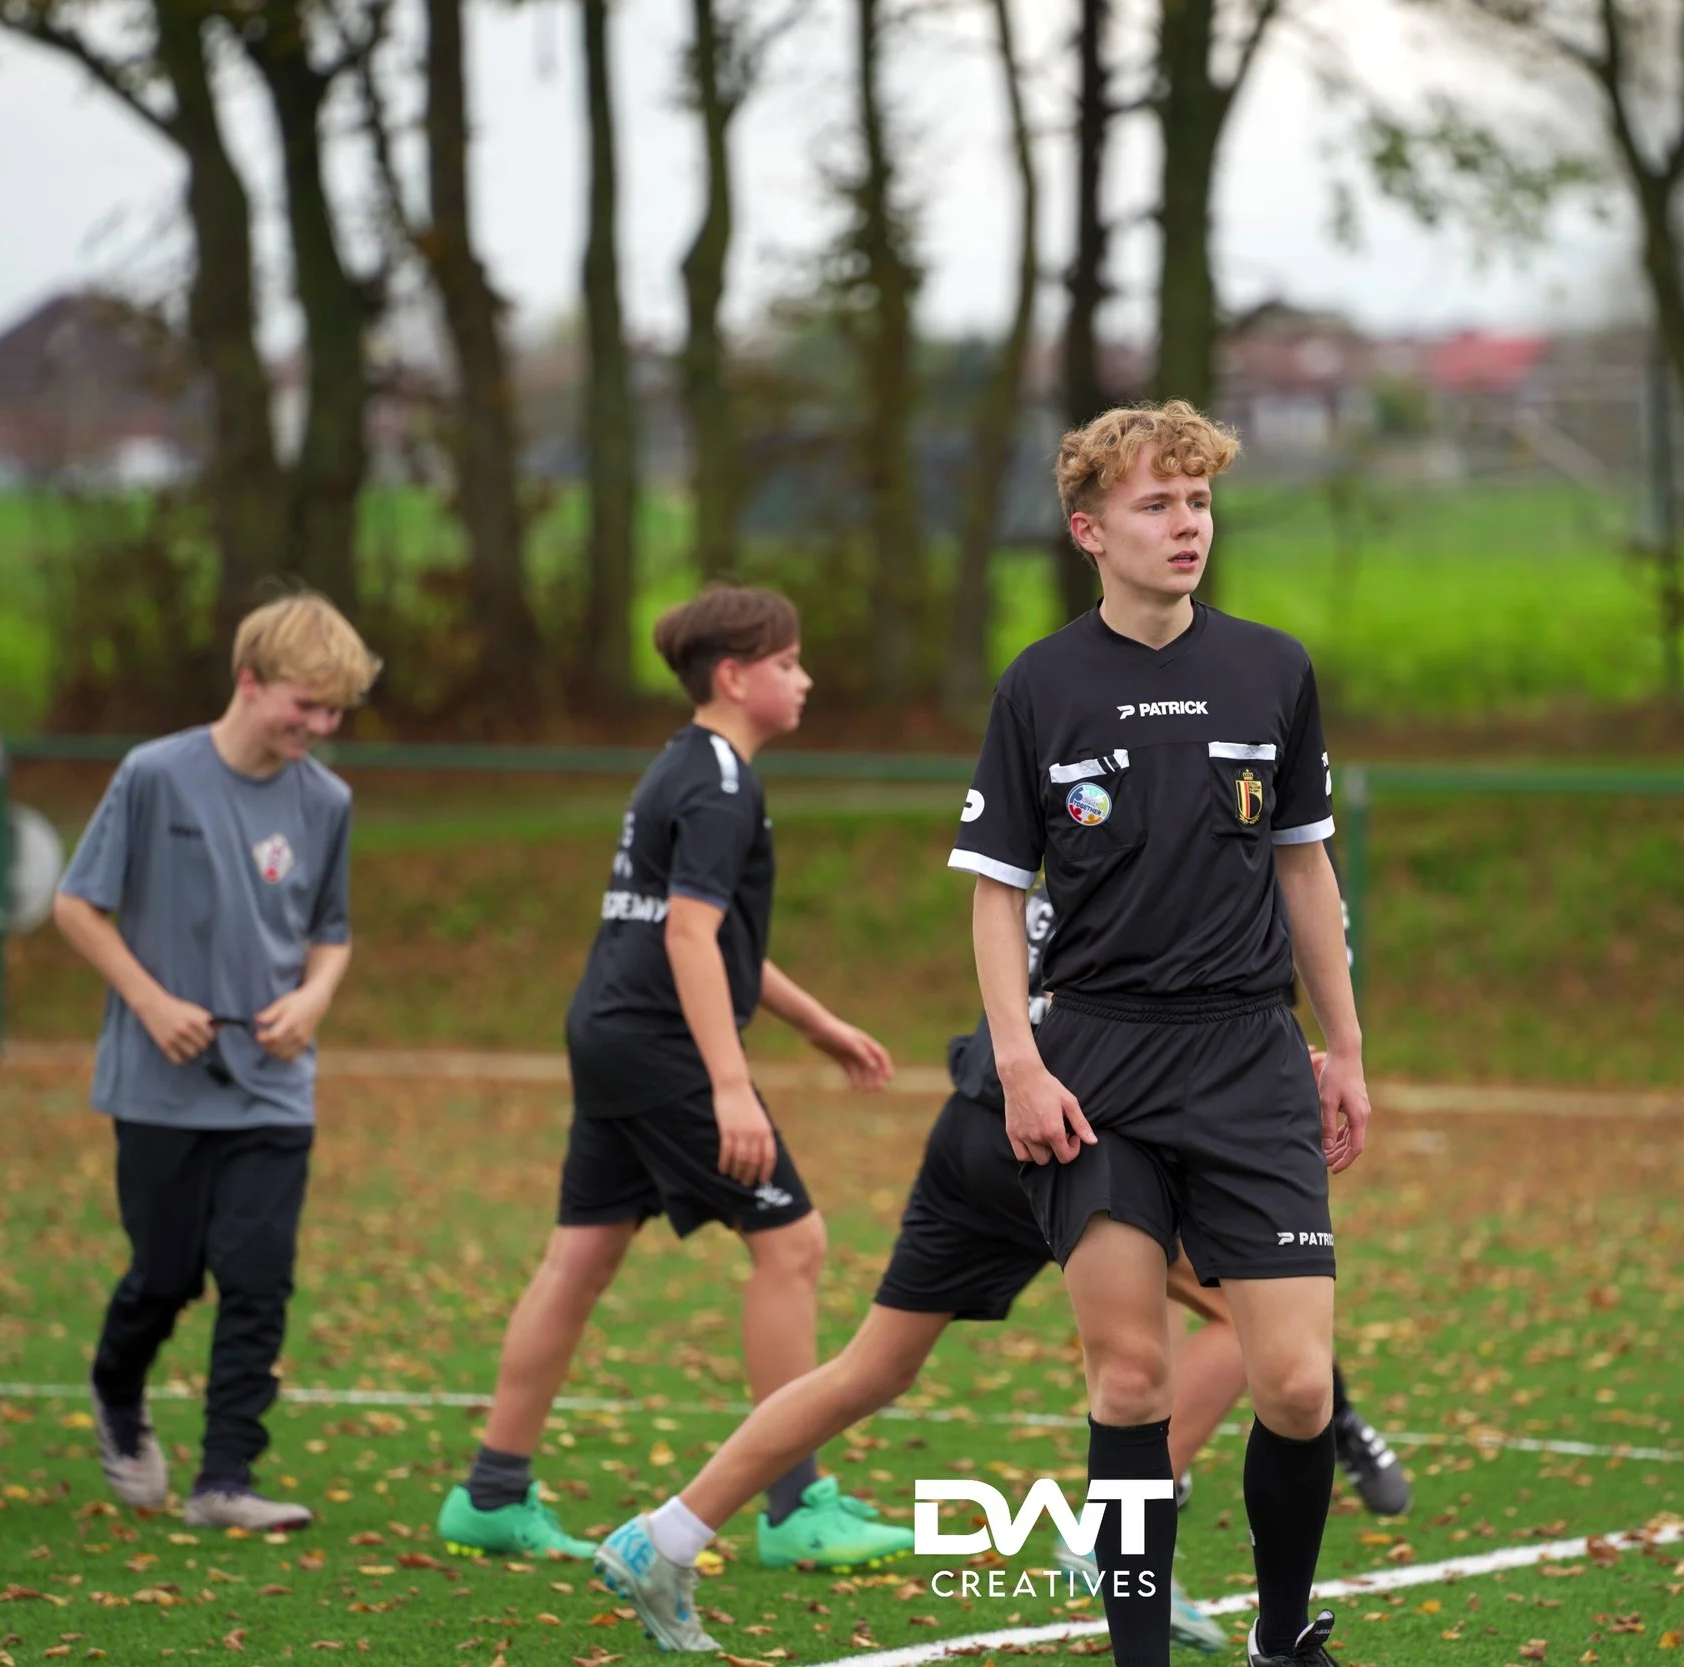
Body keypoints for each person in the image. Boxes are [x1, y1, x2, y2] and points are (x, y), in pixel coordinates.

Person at [594, 887, 1410, 1653]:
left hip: (982, 1119)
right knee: (1243, 1311)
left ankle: (665, 1535)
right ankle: (1108, 1538)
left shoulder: (1114, 794)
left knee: (873, 1365)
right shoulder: (1238, 827)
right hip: (1073, 1129)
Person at [945, 400, 1368, 1667]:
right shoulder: (1041, 685)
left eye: (1197, 502)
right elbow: (992, 887)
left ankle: (1281, 1630)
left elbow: (1307, 872)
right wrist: (1017, 1061)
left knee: (1295, 1382)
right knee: (1128, 1380)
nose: (1186, 525)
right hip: (1098, 1068)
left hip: (1247, 1055)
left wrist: (1343, 1045)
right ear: (1091, 531)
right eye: (1155, 504)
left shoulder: (1271, 669)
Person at [437, 586, 896, 1566]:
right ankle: (793, 1504)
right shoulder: (719, 784)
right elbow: (689, 932)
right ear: (735, 676)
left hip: (611, 1032)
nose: (805, 677)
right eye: (788, 662)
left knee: (580, 1257)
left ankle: (490, 1492)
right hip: (658, 1046)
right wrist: (730, 1084)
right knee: (793, 1243)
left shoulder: (688, 768)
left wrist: (815, 1023)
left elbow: (702, 927)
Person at [55, 592, 381, 1530]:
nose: (317, 729)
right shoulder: (155, 774)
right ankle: (118, 1389)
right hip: (159, 1082)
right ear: (249, 680)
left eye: (333, 714)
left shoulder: (327, 800)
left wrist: (311, 1001)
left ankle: (225, 1478)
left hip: (274, 1086)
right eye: (305, 706)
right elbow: (78, 905)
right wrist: (151, 1002)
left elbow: (331, 932)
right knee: (165, 1274)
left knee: (257, 1272)